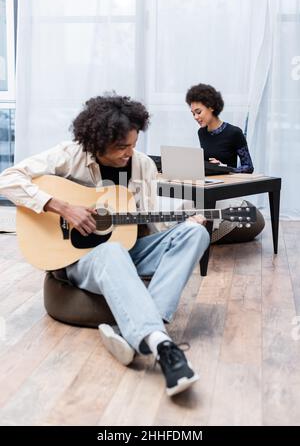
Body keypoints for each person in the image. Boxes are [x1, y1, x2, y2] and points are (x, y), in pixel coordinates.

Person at [0, 94, 210, 396]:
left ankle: (140, 331)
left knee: (195, 235)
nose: (129, 153)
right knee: (110, 250)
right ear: (97, 142)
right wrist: (61, 206)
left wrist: (184, 226)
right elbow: (8, 179)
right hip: (80, 258)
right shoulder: (70, 155)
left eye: (133, 144)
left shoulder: (143, 167)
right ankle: (163, 347)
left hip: (129, 249)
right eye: (120, 147)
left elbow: (151, 226)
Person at [185, 83, 264, 243]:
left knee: (255, 219)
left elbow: (249, 167)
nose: (195, 117)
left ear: (212, 107)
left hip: (225, 190)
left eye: (198, 112)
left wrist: (226, 169)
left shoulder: (234, 133)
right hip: (208, 188)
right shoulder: (202, 133)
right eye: (192, 113)